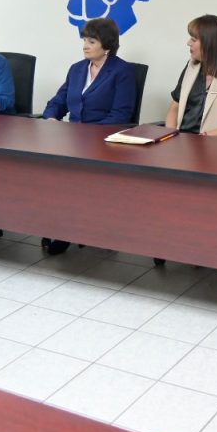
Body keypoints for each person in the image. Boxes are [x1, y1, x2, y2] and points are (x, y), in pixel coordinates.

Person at [41, 17, 136, 255]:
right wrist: (51, 119)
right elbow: (58, 102)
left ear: (107, 45)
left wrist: (86, 135)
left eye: (91, 41)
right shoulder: (77, 69)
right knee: (50, 173)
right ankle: (61, 227)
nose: (85, 46)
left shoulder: (122, 71)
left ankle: (75, 231)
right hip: (72, 142)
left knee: (76, 178)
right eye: (84, 40)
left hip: (103, 144)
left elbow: (121, 115)